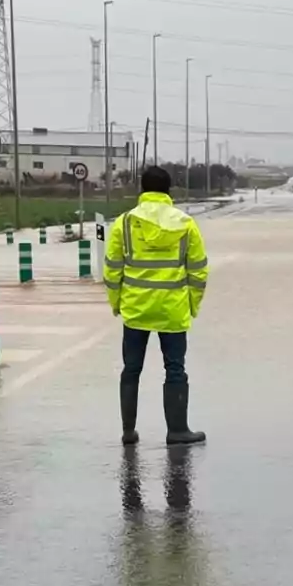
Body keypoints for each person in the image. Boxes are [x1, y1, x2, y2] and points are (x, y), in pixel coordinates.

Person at [104, 166, 209, 447]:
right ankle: (177, 431)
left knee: (131, 369)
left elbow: (112, 270)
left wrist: (117, 304)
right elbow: (198, 271)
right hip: (172, 310)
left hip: (136, 310)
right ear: (168, 190)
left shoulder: (125, 223)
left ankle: (128, 431)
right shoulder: (186, 224)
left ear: (142, 189)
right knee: (175, 369)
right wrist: (192, 306)